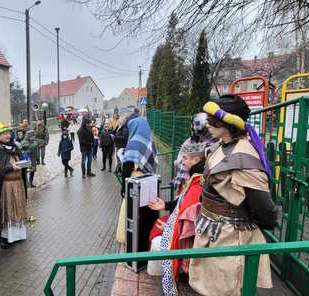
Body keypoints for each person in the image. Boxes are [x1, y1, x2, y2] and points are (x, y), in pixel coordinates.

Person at [188, 95, 277, 295]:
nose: (207, 123)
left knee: (226, 290)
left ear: (229, 122)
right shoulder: (222, 145)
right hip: (213, 231)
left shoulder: (243, 156)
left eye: (213, 120)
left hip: (229, 236)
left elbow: (265, 208)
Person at [146, 142, 205, 295]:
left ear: (197, 160)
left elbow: (187, 212)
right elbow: (182, 204)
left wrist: (170, 227)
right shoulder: (196, 177)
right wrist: (165, 205)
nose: (182, 161)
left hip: (188, 235)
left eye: (185, 158)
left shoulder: (198, 181)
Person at [116, 117, 158, 252]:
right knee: (145, 215)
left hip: (134, 182)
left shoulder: (133, 143)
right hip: (148, 181)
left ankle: (128, 244)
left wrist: (123, 188)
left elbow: (127, 170)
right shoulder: (150, 142)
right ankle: (145, 243)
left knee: (129, 214)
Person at [0, 122, 27, 248]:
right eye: (4, 133)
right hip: (5, 185)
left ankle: (19, 234)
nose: (7, 135)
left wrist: (24, 164)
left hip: (18, 183)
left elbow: (20, 158)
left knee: (18, 208)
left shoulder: (15, 146)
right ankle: (5, 236)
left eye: (8, 133)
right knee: (7, 209)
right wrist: (10, 167)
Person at [172, 113, 216, 193]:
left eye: (194, 125)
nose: (192, 127)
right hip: (185, 182)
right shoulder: (192, 140)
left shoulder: (212, 145)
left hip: (196, 183)